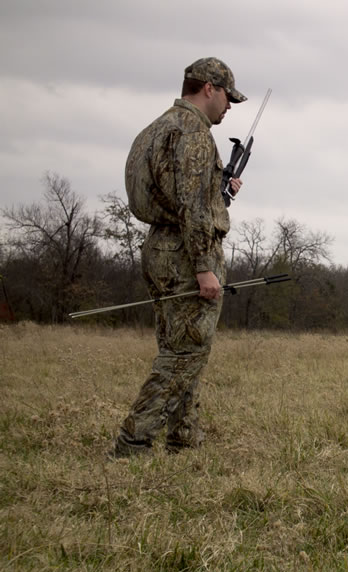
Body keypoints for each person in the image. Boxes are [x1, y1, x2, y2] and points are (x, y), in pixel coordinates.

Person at [110, 57, 247, 458]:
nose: (229, 106)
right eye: (227, 97)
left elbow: (159, 195)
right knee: (185, 352)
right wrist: (205, 266)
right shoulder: (195, 133)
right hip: (186, 254)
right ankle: (132, 444)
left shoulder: (154, 129)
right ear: (208, 88)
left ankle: (183, 440)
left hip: (159, 248)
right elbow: (192, 209)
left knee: (181, 347)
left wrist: (218, 193)